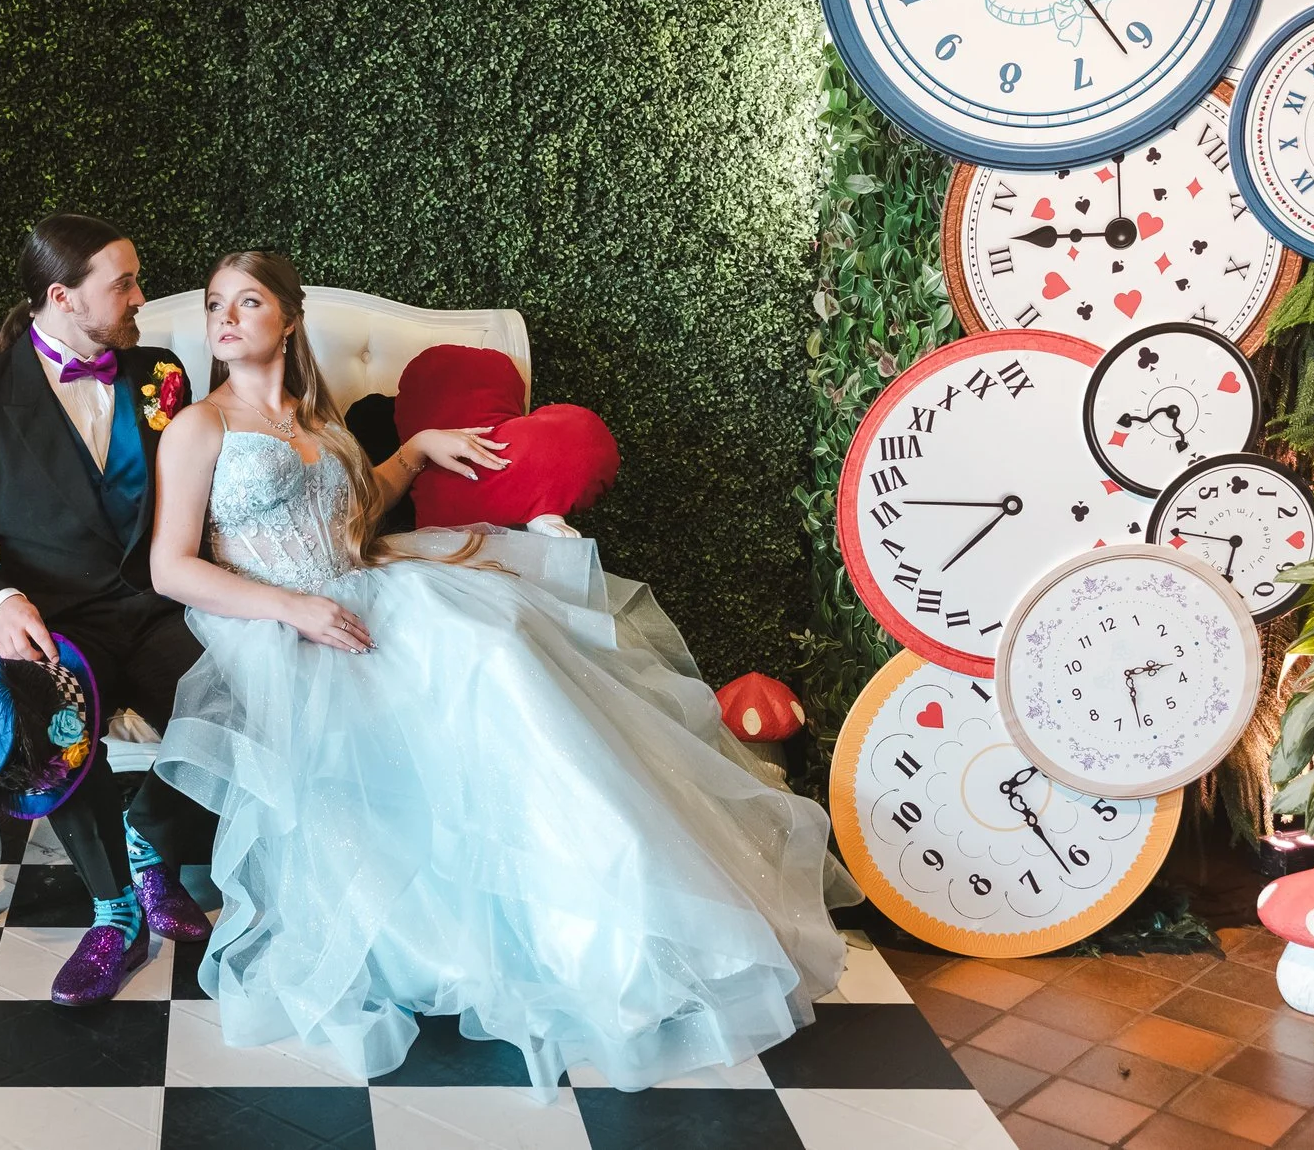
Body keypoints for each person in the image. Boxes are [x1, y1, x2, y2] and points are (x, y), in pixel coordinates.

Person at [148, 250, 862, 1094]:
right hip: (281, 624)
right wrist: (290, 610)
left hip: (367, 587)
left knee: (502, 647)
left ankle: (618, 911)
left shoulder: (315, 413)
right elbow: (170, 565)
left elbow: (352, 514)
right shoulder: (202, 425)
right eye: (214, 304)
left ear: (289, 319)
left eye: (248, 301)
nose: (225, 318)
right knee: (471, 668)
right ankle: (484, 933)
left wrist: (412, 452)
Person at [0, 214, 218, 1005]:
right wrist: (0, 602)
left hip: (157, 609)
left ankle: (149, 836)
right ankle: (115, 914)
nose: (140, 297)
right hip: (56, 624)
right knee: (54, 710)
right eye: (124, 284)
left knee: (241, 693)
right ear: (62, 296)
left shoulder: (162, 375)